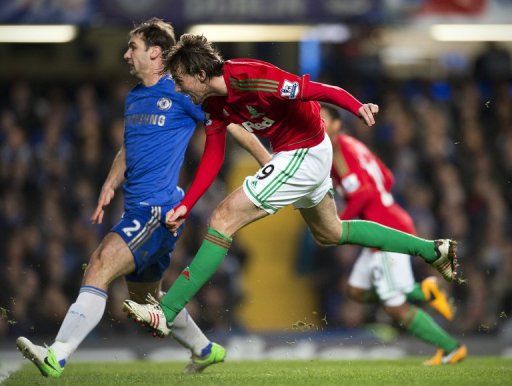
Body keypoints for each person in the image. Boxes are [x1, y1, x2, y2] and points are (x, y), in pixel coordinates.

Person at [122, 34, 458, 338]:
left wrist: (357, 107)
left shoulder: (253, 78)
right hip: (298, 152)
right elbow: (214, 150)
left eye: (180, 82)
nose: (179, 90)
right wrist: (187, 204)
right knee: (331, 233)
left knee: (224, 218)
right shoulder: (211, 102)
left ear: (198, 74)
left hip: (305, 150)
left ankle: (166, 312)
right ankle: (433, 250)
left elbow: (316, 89)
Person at [15, 19, 269, 378]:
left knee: (100, 262)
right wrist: (110, 181)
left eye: (132, 47)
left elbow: (231, 123)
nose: (125, 54)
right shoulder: (134, 97)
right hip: (138, 207)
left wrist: (268, 163)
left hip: (159, 209)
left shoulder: (183, 93)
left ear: (155, 53)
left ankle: (57, 354)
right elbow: (130, 145)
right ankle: (205, 348)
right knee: (145, 300)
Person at [320, 104, 466, 365]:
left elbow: (364, 192)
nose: (316, 124)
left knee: (395, 307)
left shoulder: (338, 151)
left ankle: (451, 348)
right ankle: (422, 292)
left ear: (336, 125)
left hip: (386, 231)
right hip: (386, 221)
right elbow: (387, 178)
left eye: (321, 119)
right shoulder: (353, 146)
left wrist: (340, 223)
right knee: (355, 290)